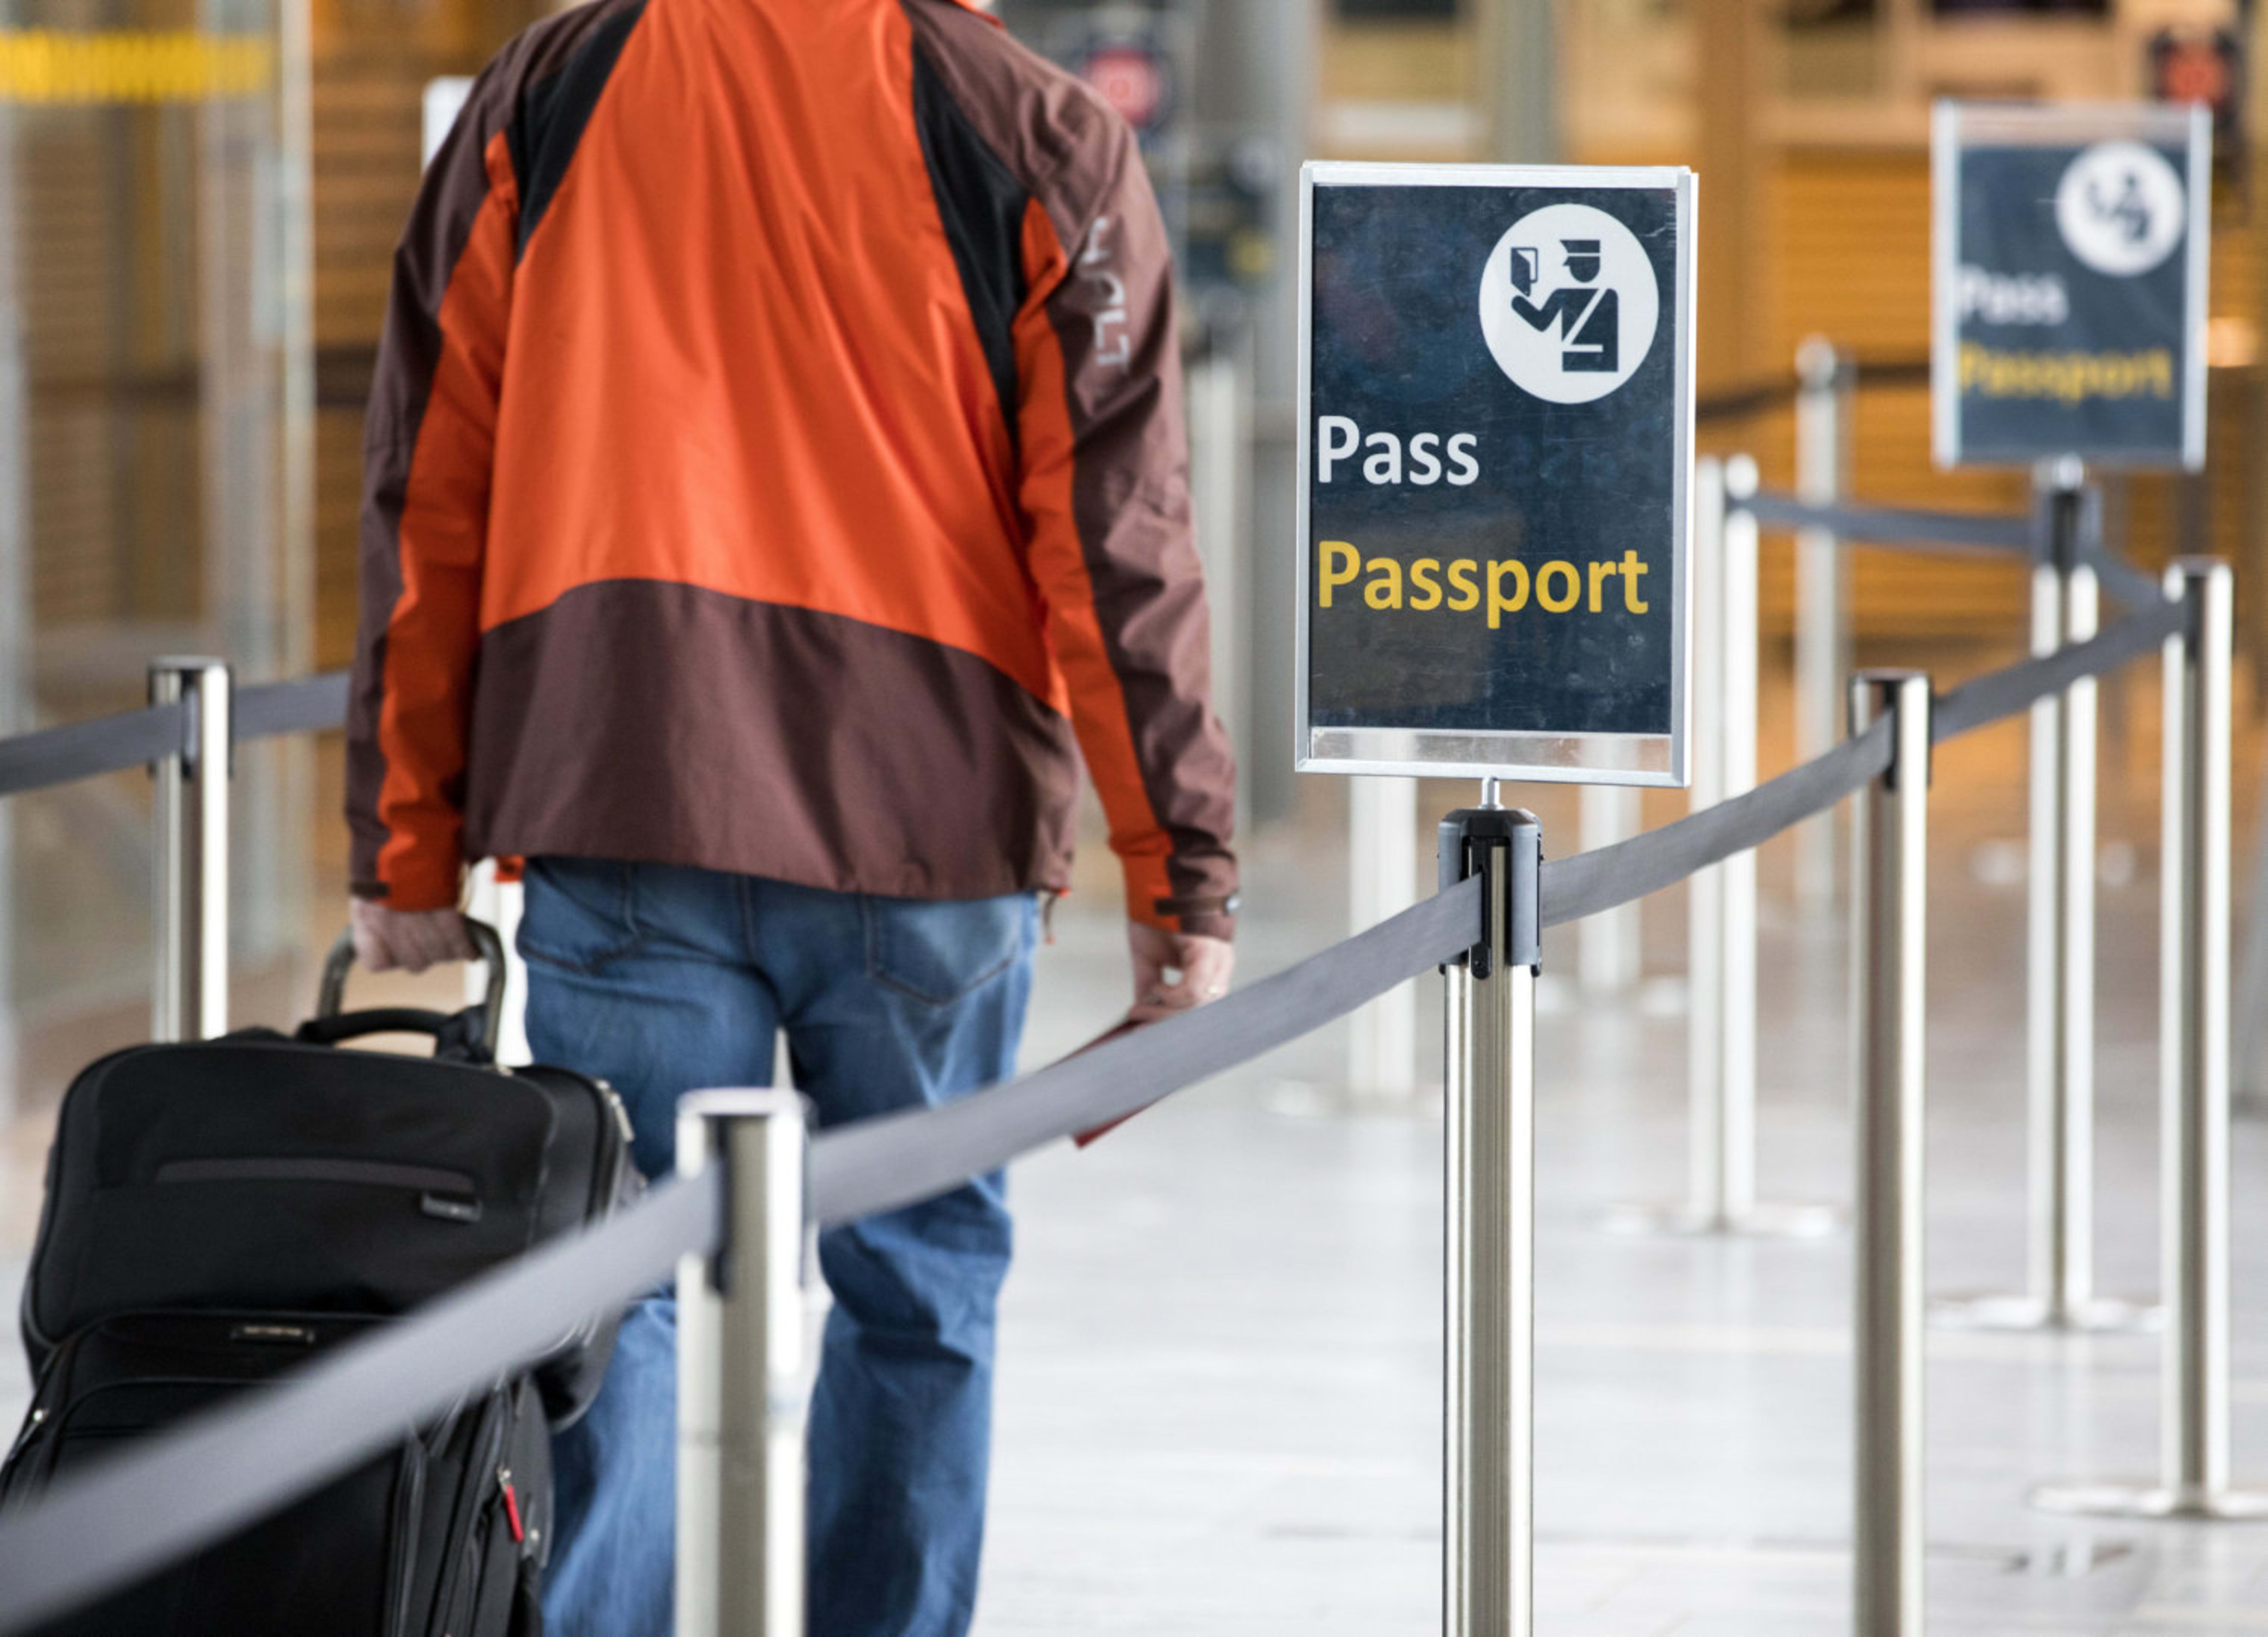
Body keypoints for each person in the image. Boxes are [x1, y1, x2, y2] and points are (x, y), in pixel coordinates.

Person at [341, 1, 1238, 1632]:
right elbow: (1119, 537)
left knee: (615, 1275)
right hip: (929, 828)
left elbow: (430, 477)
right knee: (921, 1279)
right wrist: (1177, 871)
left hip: (627, 784)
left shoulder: (553, 84)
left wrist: (407, 842)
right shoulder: (1034, 127)